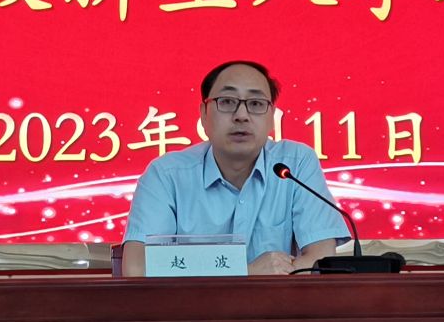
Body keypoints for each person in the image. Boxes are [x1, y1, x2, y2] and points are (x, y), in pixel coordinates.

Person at [120, 59, 347, 277]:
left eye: (256, 104)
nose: (241, 116)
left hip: (276, 304)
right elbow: (137, 268)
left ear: (271, 117)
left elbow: (321, 260)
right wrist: (247, 272)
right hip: (190, 306)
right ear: (204, 114)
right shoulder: (166, 175)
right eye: (227, 102)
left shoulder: (295, 164)